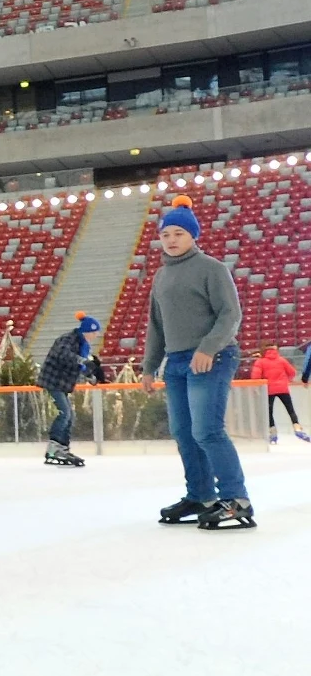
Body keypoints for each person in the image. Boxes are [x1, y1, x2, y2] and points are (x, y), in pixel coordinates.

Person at [144, 194, 255, 530]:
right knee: (184, 433)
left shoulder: (211, 268)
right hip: (177, 362)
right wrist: (150, 367)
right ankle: (202, 495)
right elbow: (156, 327)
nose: (171, 240)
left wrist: (207, 348)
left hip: (213, 357)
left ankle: (236, 499)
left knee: (207, 430)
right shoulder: (161, 277)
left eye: (178, 233)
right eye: (165, 235)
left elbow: (230, 314)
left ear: (193, 236)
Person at [36, 312, 101, 467]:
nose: (95, 335)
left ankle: (63, 448)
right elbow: (63, 354)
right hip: (53, 381)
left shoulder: (83, 345)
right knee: (64, 413)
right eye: (94, 332)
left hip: (62, 383)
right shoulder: (68, 339)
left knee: (70, 416)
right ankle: (53, 449)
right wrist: (82, 360)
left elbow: (80, 365)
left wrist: (90, 376)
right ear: (87, 331)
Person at [250, 344, 308, 443]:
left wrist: (257, 388)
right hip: (283, 388)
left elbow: (255, 377)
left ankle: (273, 433)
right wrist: (286, 380)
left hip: (269, 390)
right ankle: (297, 429)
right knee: (290, 410)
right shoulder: (281, 360)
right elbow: (292, 372)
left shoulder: (260, 362)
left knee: (269, 412)